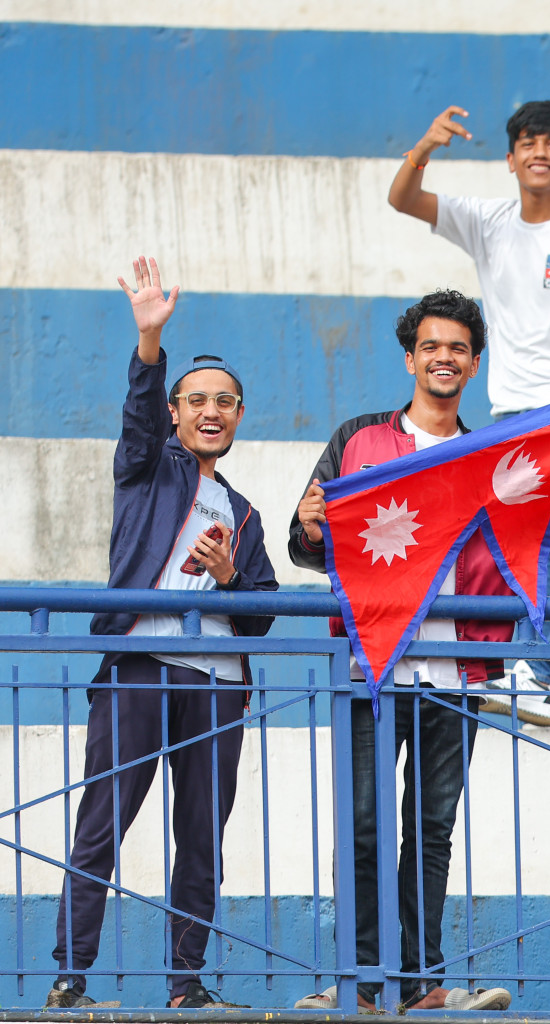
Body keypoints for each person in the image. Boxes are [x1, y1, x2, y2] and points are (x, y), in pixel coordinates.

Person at [288, 289, 550, 1012]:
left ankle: (420, 983)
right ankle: (360, 982)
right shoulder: (357, 437)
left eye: (457, 348)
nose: (443, 357)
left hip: (459, 672)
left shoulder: (494, 458)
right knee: (362, 825)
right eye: (431, 346)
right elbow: (308, 545)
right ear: (410, 358)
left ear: (474, 364)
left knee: (430, 830)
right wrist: (307, 526)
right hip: (369, 669)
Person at [47, 258, 280, 1011]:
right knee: (102, 825)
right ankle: (70, 979)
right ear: (176, 413)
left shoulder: (245, 514)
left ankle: (186, 985)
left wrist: (228, 580)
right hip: (141, 666)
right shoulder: (148, 468)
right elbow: (137, 414)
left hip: (218, 683)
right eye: (197, 400)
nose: (211, 411)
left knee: (202, 839)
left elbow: (265, 609)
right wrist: (151, 342)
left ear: (240, 416)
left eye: (226, 402)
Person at [388, 99, 550, 726]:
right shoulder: (488, 221)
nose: (540, 152)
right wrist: (426, 144)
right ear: (510, 158)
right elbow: (402, 199)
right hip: (510, 415)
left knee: (516, 532)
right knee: (515, 536)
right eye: (528, 142)